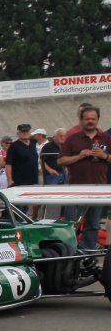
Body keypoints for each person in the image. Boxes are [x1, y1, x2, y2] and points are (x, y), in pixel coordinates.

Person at [58, 105, 109, 248]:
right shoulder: (72, 139)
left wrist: (104, 156)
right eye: (87, 119)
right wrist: (79, 156)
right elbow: (61, 161)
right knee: (71, 222)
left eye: (93, 119)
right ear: (81, 120)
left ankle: (88, 251)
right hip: (76, 187)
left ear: (98, 119)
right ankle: (70, 250)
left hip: (99, 187)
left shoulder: (106, 138)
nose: (90, 121)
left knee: (93, 223)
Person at [3, 122, 40, 188]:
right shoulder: (14, 146)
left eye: (27, 131)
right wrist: (9, 180)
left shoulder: (34, 143)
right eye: (23, 131)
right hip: (19, 181)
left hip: (34, 180)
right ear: (18, 133)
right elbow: (8, 164)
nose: (25, 133)